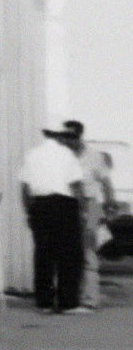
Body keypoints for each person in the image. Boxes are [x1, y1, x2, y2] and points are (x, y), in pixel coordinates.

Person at [20, 121, 89, 313]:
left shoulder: (32, 154)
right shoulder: (67, 155)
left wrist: (29, 211)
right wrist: (82, 211)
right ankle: (68, 303)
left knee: (43, 255)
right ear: (60, 136)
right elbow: (76, 186)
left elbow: (25, 188)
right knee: (69, 255)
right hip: (64, 206)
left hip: (39, 206)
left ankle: (44, 302)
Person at [72, 123, 115, 311]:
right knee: (71, 251)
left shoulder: (94, 156)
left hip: (91, 206)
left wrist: (109, 205)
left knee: (89, 252)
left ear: (79, 136)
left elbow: (106, 182)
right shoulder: (62, 155)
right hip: (69, 206)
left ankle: (90, 298)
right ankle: (74, 295)